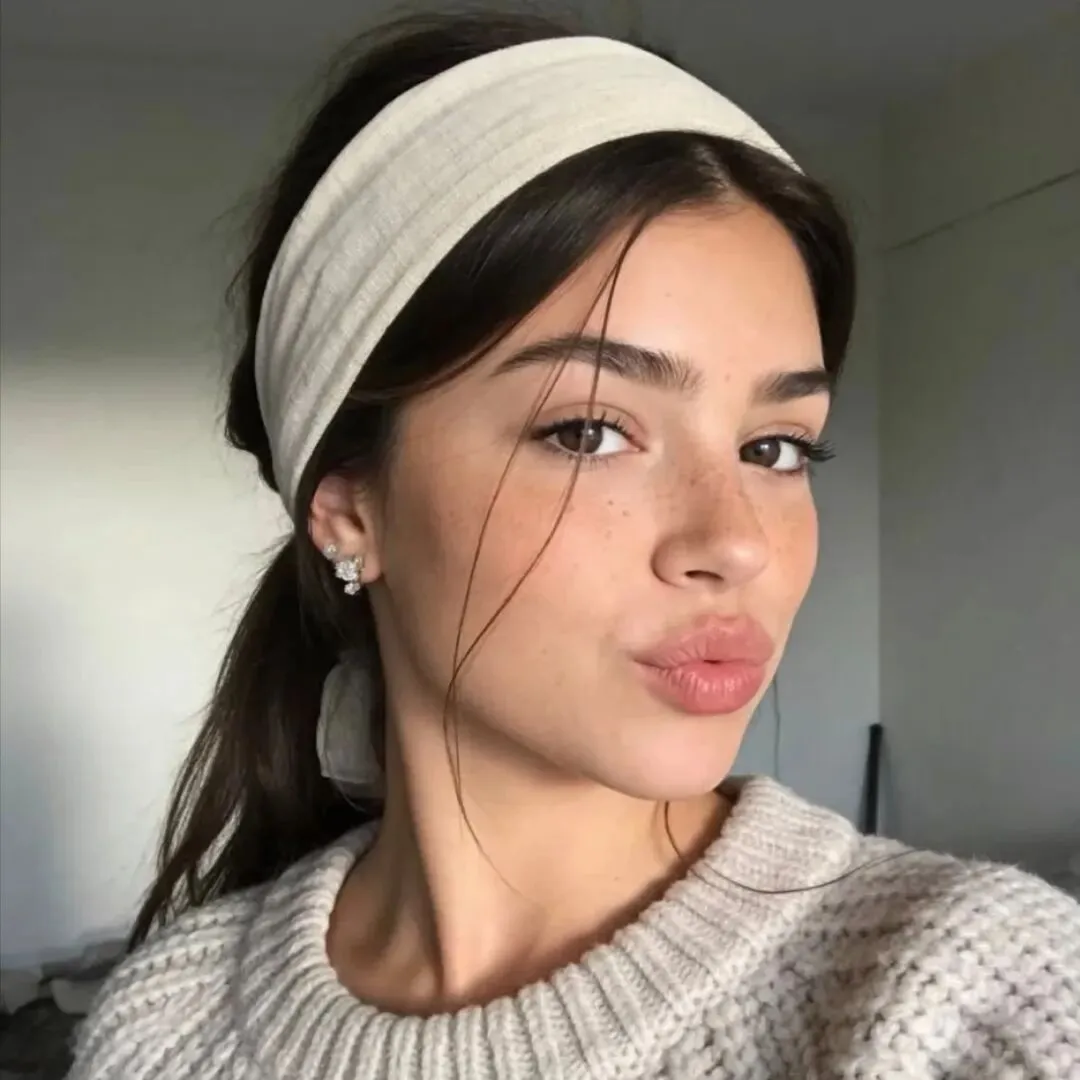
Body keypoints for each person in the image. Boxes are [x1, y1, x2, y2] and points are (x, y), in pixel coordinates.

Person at [70, 11, 1079, 1080]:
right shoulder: (162, 1033)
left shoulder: (977, 1004)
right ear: (350, 505)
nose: (735, 542)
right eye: (591, 431)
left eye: (776, 448)